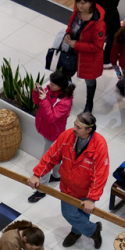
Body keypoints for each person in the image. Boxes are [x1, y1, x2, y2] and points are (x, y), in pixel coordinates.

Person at [28, 113, 109, 249]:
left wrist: (92, 198)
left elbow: (100, 173)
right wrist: (37, 174)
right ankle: (93, 230)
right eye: (74, 125)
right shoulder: (67, 136)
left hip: (85, 189)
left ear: (89, 129)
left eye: (78, 127)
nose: (74, 128)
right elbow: (52, 155)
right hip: (67, 186)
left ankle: (76, 232)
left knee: (82, 213)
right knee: (69, 213)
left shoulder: (99, 145)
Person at [28, 71, 75, 202]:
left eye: (53, 84)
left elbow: (51, 118)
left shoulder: (65, 102)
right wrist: (36, 92)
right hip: (45, 129)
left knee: (47, 159)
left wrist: (44, 101)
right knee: (54, 155)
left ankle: (41, 189)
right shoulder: (49, 90)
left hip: (53, 134)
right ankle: (56, 175)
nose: (49, 85)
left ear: (61, 86)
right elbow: (37, 102)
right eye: (50, 82)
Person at [64, 0, 106, 113]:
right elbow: (71, 24)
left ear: (91, 3)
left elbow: (97, 47)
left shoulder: (98, 23)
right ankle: (67, 98)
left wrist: (76, 44)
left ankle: (89, 104)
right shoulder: (77, 12)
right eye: (78, 2)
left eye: (83, 3)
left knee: (90, 81)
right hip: (74, 51)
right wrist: (67, 33)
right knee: (66, 74)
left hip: (89, 57)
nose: (79, 6)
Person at [91, 0, 120, 68]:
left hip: (99, 9)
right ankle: (106, 59)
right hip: (110, 12)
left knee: (100, 35)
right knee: (113, 36)